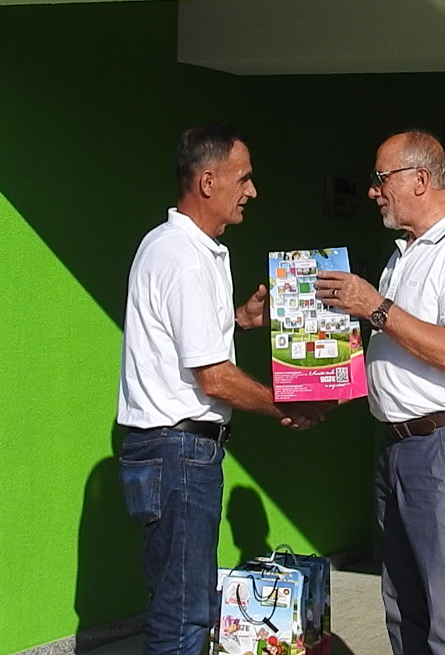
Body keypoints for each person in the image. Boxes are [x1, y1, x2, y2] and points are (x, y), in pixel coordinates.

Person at [117, 125, 328, 655]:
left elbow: (179, 342)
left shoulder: (185, 248)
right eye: (244, 178)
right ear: (208, 181)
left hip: (172, 452)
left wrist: (238, 320)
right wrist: (290, 401)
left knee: (181, 603)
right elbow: (212, 377)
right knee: (184, 615)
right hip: (178, 453)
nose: (252, 190)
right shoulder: (184, 257)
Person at [315, 130, 445, 655]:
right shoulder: (404, 254)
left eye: (381, 179)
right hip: (401, 446)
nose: (373, 191)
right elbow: (395, 352)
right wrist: (318, 387)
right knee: (404, 605)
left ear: (420, 179)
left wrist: (375, 307)